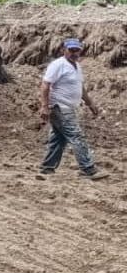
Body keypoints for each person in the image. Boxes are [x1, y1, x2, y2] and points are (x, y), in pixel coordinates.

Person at [38, 38, 107, 179]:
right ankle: (88, 169)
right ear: (64, 50)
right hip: (59, 107)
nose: (75, 53)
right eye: (71, 50)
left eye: (77, 50)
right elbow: (45, 85)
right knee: (76, 136)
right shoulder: (58, 65)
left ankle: (47, 168)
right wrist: (44, 107)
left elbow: (80, 87)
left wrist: (90, 103)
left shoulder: (76, 66)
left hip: (69, 107)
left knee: (58, 139)